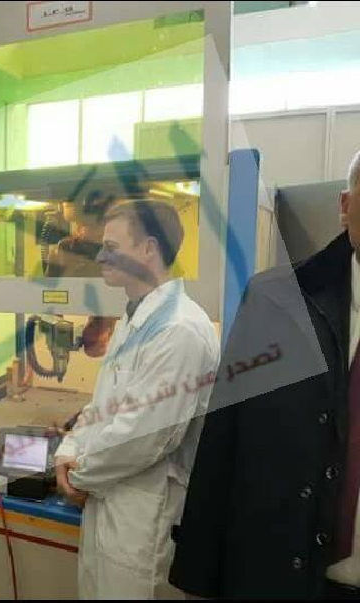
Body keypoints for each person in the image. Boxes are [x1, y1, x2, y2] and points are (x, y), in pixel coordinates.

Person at [169, 151, 360, 599]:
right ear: (346, 204)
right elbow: (223, 442)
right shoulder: (275, 303)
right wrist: (200, 575)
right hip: (280, 578)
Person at [54, 200, 219, 599]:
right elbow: (102, 404)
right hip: (110, 504)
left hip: (144, 520)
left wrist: (77, 474)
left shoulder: (180, 330)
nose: (99, 256)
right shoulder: (134, 318)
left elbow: (143, 437)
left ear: (148, 249)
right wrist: (67, 450)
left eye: (111, 247)